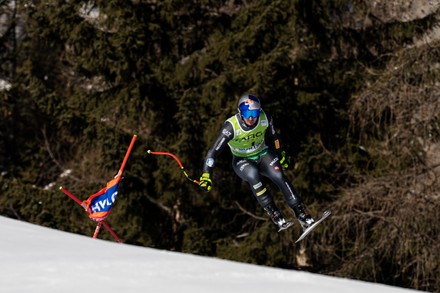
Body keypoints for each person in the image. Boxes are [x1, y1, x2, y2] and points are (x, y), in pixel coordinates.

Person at [199, 94, 315, 231]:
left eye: (254, 113)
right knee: (253, 175)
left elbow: (274, 138)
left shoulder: (265, 118)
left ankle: (302, 213)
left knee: (278, 175)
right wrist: (206, 174)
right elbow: (213, 151)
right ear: (240, 113)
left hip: (262, 153)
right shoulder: (231, 127)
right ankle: (276, 215)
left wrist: (280, 154)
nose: (251, 118)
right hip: (242, 160)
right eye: (247, 113)